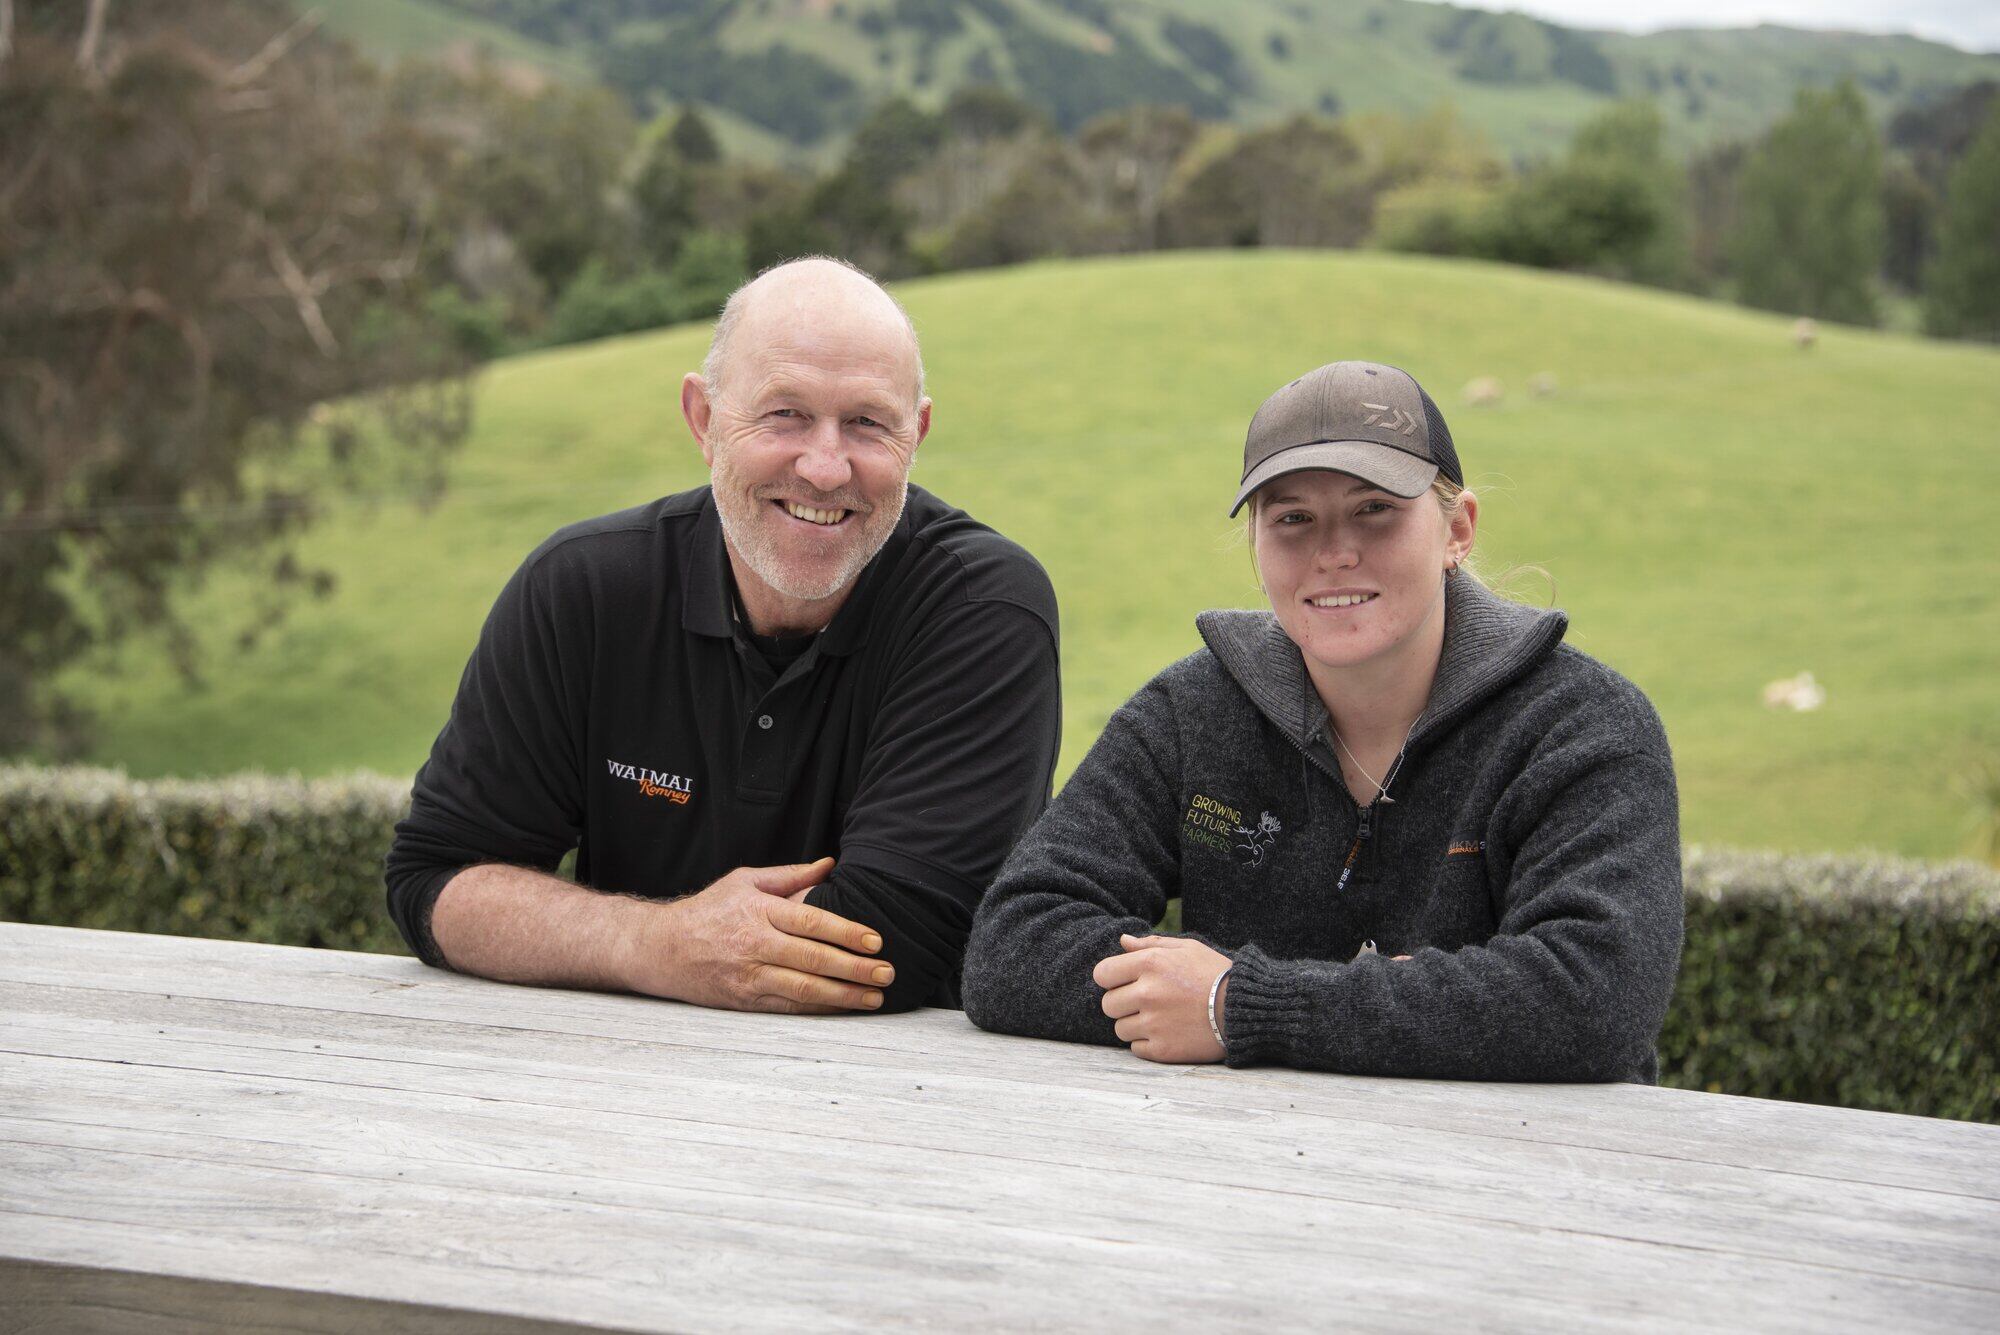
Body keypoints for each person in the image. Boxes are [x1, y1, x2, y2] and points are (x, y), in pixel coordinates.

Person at [962, 361, 1682, 1080]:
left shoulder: (1583, 726)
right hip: (1249, 1172)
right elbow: (1012, 943)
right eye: (1293, 519)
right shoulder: (1191, 712)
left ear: (1456, 529)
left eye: (1375, 509)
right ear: (1257, 545)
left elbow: (1592, 999)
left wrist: (1238, 1005)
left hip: (1523, 1177)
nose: (1334, 553)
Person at [386, 257, 1061, 1015]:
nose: (826, 465)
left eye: (868, 423)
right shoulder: (583, 591)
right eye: (785, 414)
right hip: (604, 1091)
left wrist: (596, 930)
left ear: (919, 433)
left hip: (889, 1110)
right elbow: (437, 882)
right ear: (703, 419)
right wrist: (661, 943)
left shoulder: (981, 608)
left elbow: (890, 943)